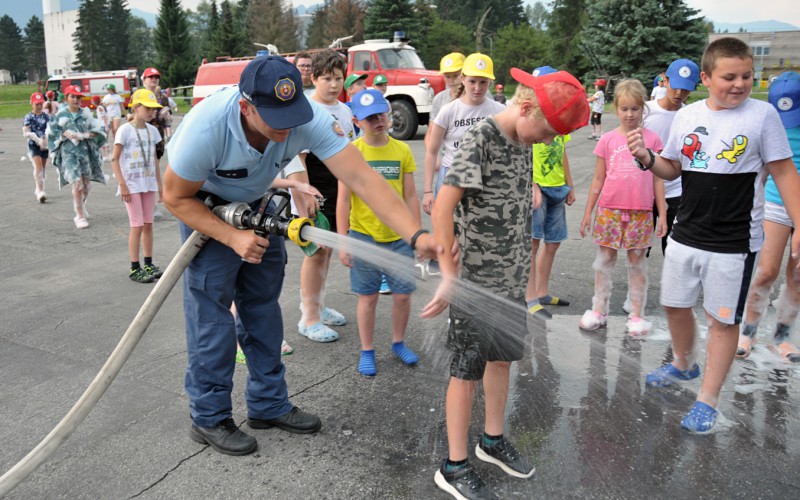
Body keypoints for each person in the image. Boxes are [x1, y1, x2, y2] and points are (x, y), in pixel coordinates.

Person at [162, 55, 437, 456]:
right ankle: (209, 417)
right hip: (207, 211)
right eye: (276, 118)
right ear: (246, 107)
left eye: (292, 115)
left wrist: (415, 234)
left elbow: (363, 178)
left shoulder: (302, 118)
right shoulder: (205, 129)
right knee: (212, 321)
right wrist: (231, 238)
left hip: (255, 205)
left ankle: (268, 405)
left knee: (263, 311)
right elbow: (174, 197)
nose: (287, 127)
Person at [421, 67, 589, 500]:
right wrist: (450, 277)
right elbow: (442, 208)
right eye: (549, 132)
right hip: (476, 283)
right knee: (466, 371)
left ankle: (492, 440)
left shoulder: (523, 140)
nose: (549, 140)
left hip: (512, 280)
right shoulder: (481, 138)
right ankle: (453, 465)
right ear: (527, 106)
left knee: (502, 359)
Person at [628, 37, 800, 434]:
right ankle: (684, 365)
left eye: (746, 76)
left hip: (734, 243)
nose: (739, 84)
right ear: (706, 78)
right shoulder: (687, 116)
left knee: (722, 322)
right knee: (674, 305)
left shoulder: (763, 116)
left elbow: (784, 171)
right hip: (687, 232)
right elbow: (673, 168)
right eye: (729, 77)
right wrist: (647, 159)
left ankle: (707, 400)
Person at [337, 88, 420, 375]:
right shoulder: (352, 153)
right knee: (368, 297)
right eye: (369, 118)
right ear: (358, 121)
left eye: (381, 115)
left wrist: (416, 235)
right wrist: (343, 240)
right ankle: (367, 349)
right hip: (363, 235)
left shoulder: (402, 150)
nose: (377, 121)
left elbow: (410, 196)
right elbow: (343, 199)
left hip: (399, 237)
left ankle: (398, 343)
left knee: (402, 295)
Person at [578, 79, 667, 335]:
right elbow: (598, 179)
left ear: (643, 109)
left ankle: (637, 314)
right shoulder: (607, 140)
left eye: (635, 108)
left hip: (641, 211)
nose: (630, 114)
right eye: (625, 108)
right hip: (609, 210)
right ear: (616, 109)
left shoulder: (653, 140)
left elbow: (658, 178)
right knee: (604, 260)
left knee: (637, 262)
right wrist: (588, 212)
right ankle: (598, 310)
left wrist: (662, 214)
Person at [737, 71, 800, 363]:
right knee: (765, 271)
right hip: (775, 204)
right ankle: (748, 331)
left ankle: (782, 337)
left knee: (798, 276)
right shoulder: (766, 120)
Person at [296, 49, 357, 343]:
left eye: (338, 78)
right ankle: (308, 318)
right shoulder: (306, 109)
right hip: (314, 189)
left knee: (328, 249)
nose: (333, 85)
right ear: (314, 78)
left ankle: (318, 305)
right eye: (327, 79)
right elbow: (300, 159)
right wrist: (306, 196)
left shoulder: (344, 111)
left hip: (337, 188)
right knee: (315, 251)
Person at [423, 53, 506, 216]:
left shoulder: (500, 111)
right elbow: (432, 151)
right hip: (451, 175)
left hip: (486, 176)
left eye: (483, 82)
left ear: (490, 81)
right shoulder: (448, 111)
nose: (477, 87)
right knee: (447, 229)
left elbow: (512, 148)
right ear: (463, 79)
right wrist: (427, 191)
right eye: (472, 81)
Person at [524, 66, 575, 320]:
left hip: (558, 187)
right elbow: (523, 153)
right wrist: (531, 185)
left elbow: (563, 153)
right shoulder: (530, 116)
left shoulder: (559, 117)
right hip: (538, 188)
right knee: (533, 243)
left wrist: (570, 184)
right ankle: (530, 296)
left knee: (553, 242)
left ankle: (543, 291)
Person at [110, 89, 165, 283]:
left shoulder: (153, 131)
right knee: (137, 225)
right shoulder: (125, 130)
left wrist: (159, 185)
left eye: (153, 109)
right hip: (131, 185)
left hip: (148, 182)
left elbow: (155, 160)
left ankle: (149, 262)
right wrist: (122, 184)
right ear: (135, 108)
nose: (151, 112)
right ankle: (135, 267)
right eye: (147, 108)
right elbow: (114, 159)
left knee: (148, 224)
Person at [47, 85, 107, 229]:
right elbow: (51, 132)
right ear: (66, 98)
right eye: (72, 96)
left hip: (84, 152)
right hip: (69, 154)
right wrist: (64, 134)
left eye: (78, 97)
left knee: (86, 185)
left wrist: (84, 135)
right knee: (77, 183)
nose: (76, 99)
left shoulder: (86, 114)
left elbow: (100, 130)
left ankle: (81, 204)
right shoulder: (61, 115)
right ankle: (79, 215)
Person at [423, 52, 465, 213]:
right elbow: (430, 133)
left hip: (474, 165)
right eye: (448, 76)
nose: (452, 81)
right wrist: (434, 157)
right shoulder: (440, 100)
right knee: (444, 213)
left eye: (456, 75)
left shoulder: (481, 96)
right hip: (448, 166)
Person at [23, 92, 51, 203]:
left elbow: (49, 129)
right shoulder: (29, 116)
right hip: (33, 144)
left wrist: (45, 140)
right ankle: (40, 191)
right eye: (37, 104)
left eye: (40, 104)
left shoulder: (46, 116)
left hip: (45, 144)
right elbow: (26, 132)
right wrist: (37, 139)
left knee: (43, 168)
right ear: (32, 103)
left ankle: (40, 187)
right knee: (38, 166)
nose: (39, 106)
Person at [141, 68, 171, 161]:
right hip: (142, 135)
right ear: (144, 79)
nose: (154, 79)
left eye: (157, 77)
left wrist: (166, 112)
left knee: (155, 162)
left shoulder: (163, 97)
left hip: (158, 135)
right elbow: (130, 116)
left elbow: (168, 116)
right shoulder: (138, 95)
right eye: (151, 77)